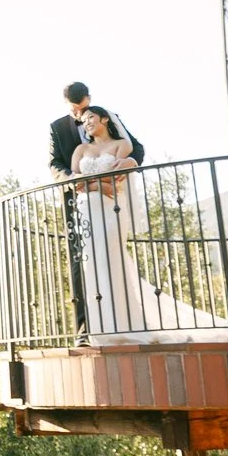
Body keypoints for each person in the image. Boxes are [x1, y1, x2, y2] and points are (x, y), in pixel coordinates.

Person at [68, 106, 145, 332]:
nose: (87, 122)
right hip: (86, 213)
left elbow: (116, 184)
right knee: (92, 264)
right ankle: (101, 326)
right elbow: (73, 183)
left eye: (90, 117)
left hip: (111, 210)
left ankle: (123, 324)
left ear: (104, 119)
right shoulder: (80, 150)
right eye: (83, 120)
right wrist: (99, 184)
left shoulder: (122, 145)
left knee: (112, 260)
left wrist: (91, 184)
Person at [49, 82, 141, 178]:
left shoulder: (108, 116)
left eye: (84, 108)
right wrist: (72, 179)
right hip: (77, 190)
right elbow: (55, 163)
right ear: (66, 102)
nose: (80, 114)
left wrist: (131, 161)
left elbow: (136, 146)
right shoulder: (57, 127)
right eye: (75, 110)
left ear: (89, 99)